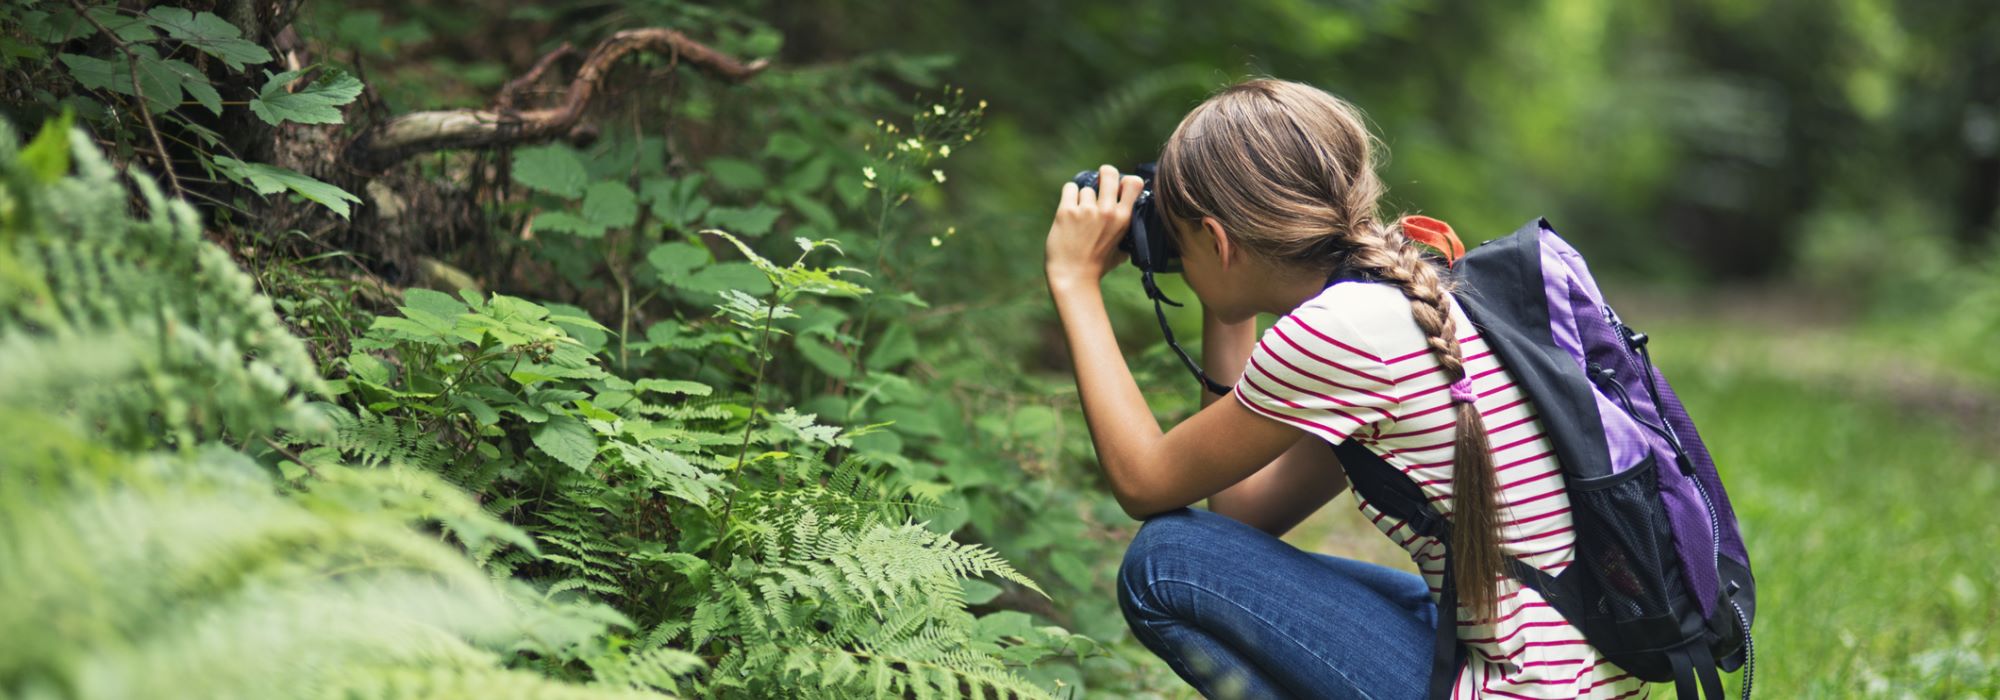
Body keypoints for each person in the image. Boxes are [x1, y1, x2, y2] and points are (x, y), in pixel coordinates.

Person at [1041, 78, 1645, 699]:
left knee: (1164, 560)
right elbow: (1249, 512)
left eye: (1181, 238)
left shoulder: (1338, 335)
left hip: (1519, 687)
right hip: (1577, 673)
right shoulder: (1407, 298)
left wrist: (1075, 281)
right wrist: (1227, 302)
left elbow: (1145, 483)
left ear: (1219, 241)